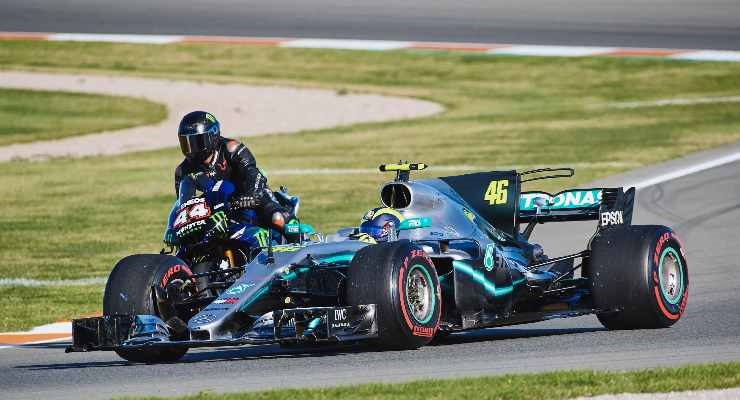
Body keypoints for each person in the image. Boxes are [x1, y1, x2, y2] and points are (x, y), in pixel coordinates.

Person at [174, 111, 291, 239]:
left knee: (277, 219)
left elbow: (254, 174)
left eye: (196, 142)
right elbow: (182, 205)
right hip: (217, 207)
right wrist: (173, 228)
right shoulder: (182, 170)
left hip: (249, 196)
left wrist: (252, 196)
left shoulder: (232, 148)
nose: (191, 149)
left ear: (212, 136)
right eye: (187, 143)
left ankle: (299, 236)